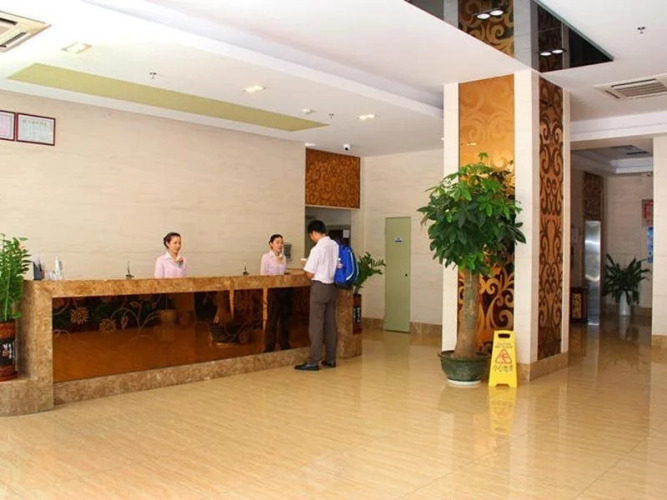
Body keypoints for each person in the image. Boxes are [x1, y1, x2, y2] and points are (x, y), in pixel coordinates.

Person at [295, 220, 339, 371]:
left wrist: (305, 266)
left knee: (316, 325)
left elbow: (309, 273)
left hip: (319, 287)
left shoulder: (317, 248)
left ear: (314, 233)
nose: (312, 238)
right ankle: (331, 359)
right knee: (330, 324)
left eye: (311, 236)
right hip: (332, 287)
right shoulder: (334, 245)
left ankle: (313, 361)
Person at [260, 234, 291, 352]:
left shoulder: (284, 258)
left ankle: (284, 343)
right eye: (277, 242)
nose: (280, 245)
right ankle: (269, 345)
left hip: (284, 290)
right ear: (271, 244)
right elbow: (263, 275)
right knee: (272, 318)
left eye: (281, 242)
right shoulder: (266, 257)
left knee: (284, 318)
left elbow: (284, 273)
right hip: (273, 290)